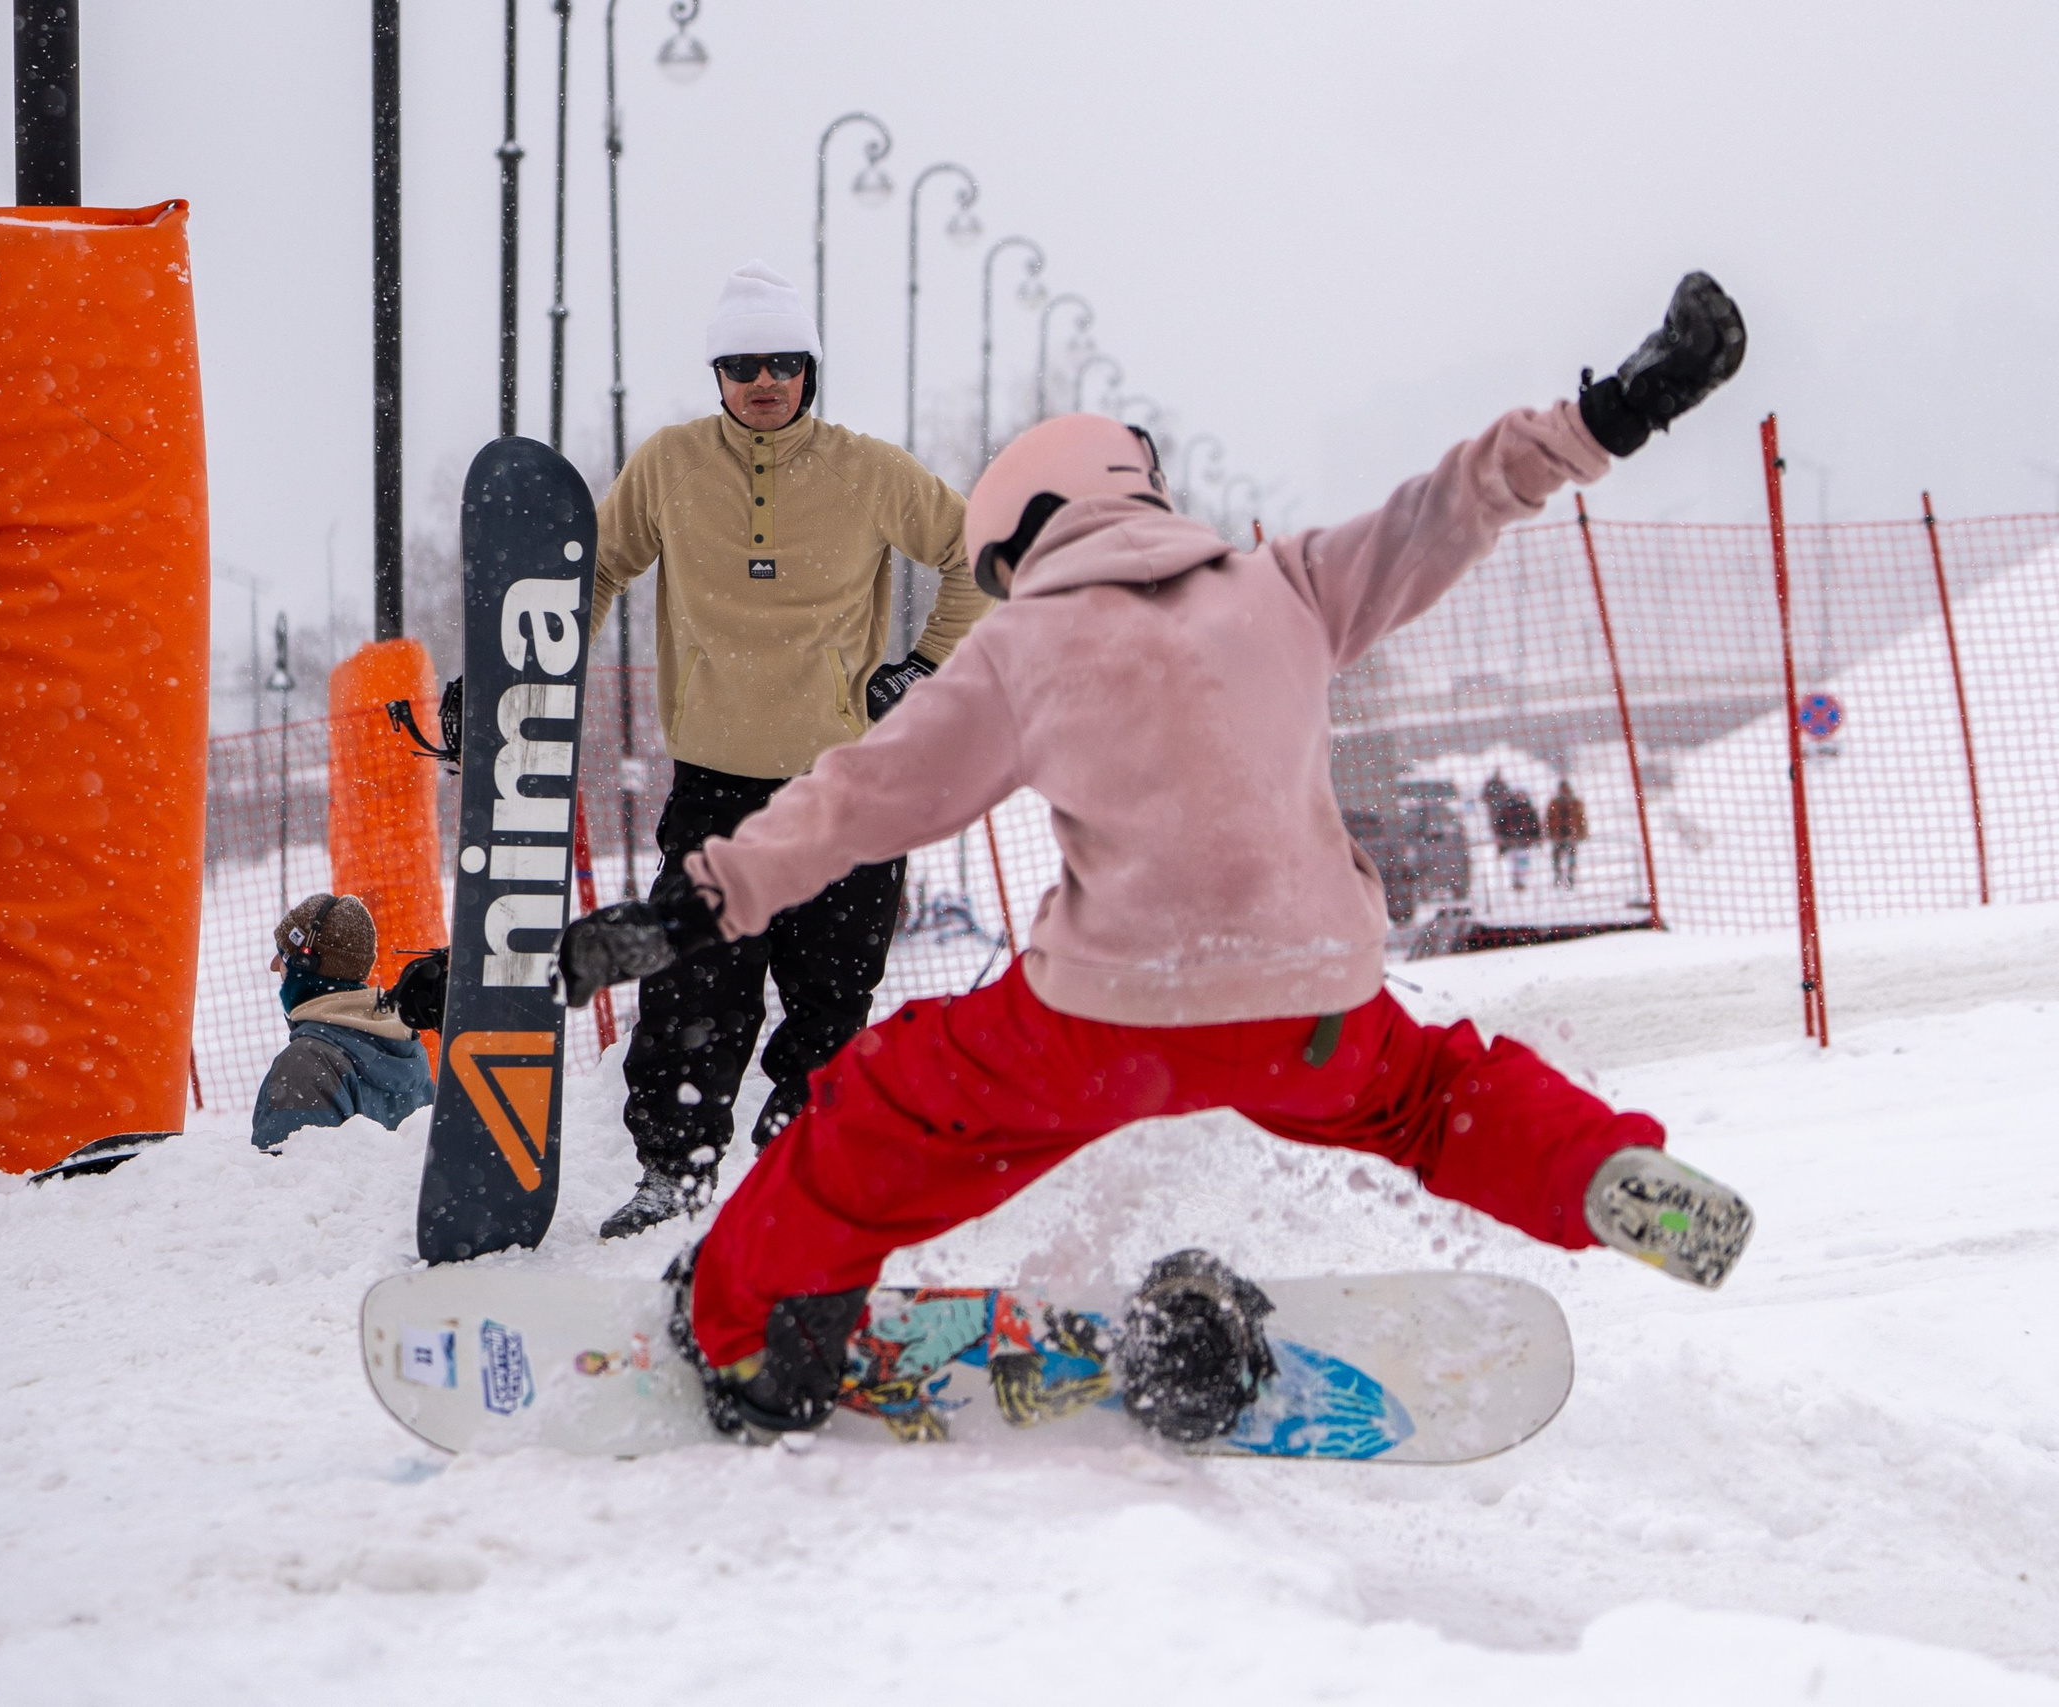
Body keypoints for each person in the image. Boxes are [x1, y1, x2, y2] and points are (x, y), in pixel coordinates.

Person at [558, 273, 1758, 1439]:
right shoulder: (1288, 585)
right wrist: (1617, 410)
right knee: (1439, 1097)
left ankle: (760, 1340)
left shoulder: (1022, 647)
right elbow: (1451, 506)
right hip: (1312, 1012)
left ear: (1024, 533)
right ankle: (1601, 1171)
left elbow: (861, 801)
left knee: (875, 1116)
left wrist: (697, 905)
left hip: (1098, 1026)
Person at [583, 260, 991, 1239]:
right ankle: (672, 1175)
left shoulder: (869, 470)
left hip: (847, 789)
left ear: (810, 369)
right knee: (692, 989)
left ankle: (802, 1177)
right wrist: (535, 672)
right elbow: (593, 569)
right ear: (716, 374)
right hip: (713, 787)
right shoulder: (670, 467)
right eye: (740, 365)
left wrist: (926, 667)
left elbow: (973, 552)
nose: (762, 381)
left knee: (829, 996)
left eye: (782, 362)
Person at [250, 894, 438, 1151]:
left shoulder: (305, 1067)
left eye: (282, 956)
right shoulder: (406, 1054)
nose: (273, 966)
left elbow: (288, 1186)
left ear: (305, 964)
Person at [1487, 772, 1542, 890]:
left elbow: (1535, 825)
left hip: (1525, 843)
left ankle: (1522, 881)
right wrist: (1501, 837)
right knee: (1513, 864)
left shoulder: (1529, 809)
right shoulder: (1507, 809)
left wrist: (1537, 837)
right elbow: (1500, 825)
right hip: (1511, 843)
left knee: (1523, 864)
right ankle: (1515, 881)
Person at [1546, 778, 1588, 889]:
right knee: (1556, 856)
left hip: (1571, 834)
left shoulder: (1575, 803)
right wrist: (1550, 833)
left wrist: (1582, 833)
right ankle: (1558, 874)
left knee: (1571, 856)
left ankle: (1570, 876)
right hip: (1558, 834)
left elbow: (1581, 819)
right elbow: (1549, 819)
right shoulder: (1554, 803)